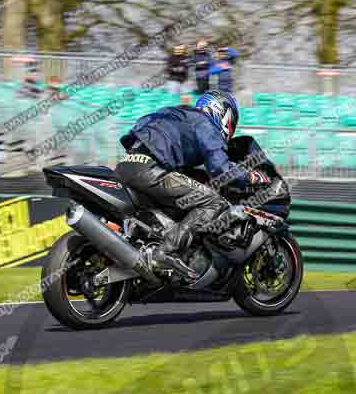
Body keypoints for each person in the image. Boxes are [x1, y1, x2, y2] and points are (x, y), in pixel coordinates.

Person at [116, 90, 270, 281]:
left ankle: (150, 249)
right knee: (213, 203)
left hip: (127, 165)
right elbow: (220, 167)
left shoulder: (178, 115)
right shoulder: (205, 124)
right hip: (150, 169)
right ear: (223, 113)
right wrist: (251, 177)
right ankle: (165, 252)